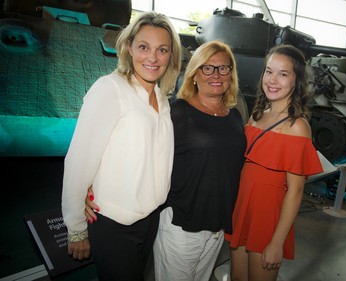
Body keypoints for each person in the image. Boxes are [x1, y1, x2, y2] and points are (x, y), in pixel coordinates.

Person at [85, 40, 247, 281]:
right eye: (207, 68)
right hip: (182, 225)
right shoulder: (177, 112)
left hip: (217, 224)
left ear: (230, 74)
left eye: (223, 68)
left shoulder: (234, 116)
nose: (216, 74)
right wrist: (89, 184)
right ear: (194, 74)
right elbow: (135, 151)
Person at [61, 11, 181, 281]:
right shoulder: (110, 89)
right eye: (143, 47)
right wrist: (76, 228)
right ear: (129, 48)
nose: (152, 57)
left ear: (171, 55)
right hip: (114, 225)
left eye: (162, 49)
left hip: (149, 220)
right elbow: (79, 160)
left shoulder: (161, 98)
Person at [224, 44, 323, 281]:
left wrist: (277, 242)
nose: (273, 80)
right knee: (238, 277)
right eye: (269, 71)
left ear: (296, 80)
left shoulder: (298, 127)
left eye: (283, 74)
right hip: (241, 209)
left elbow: (296, 191)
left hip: (268, 216)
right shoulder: (257, 116)